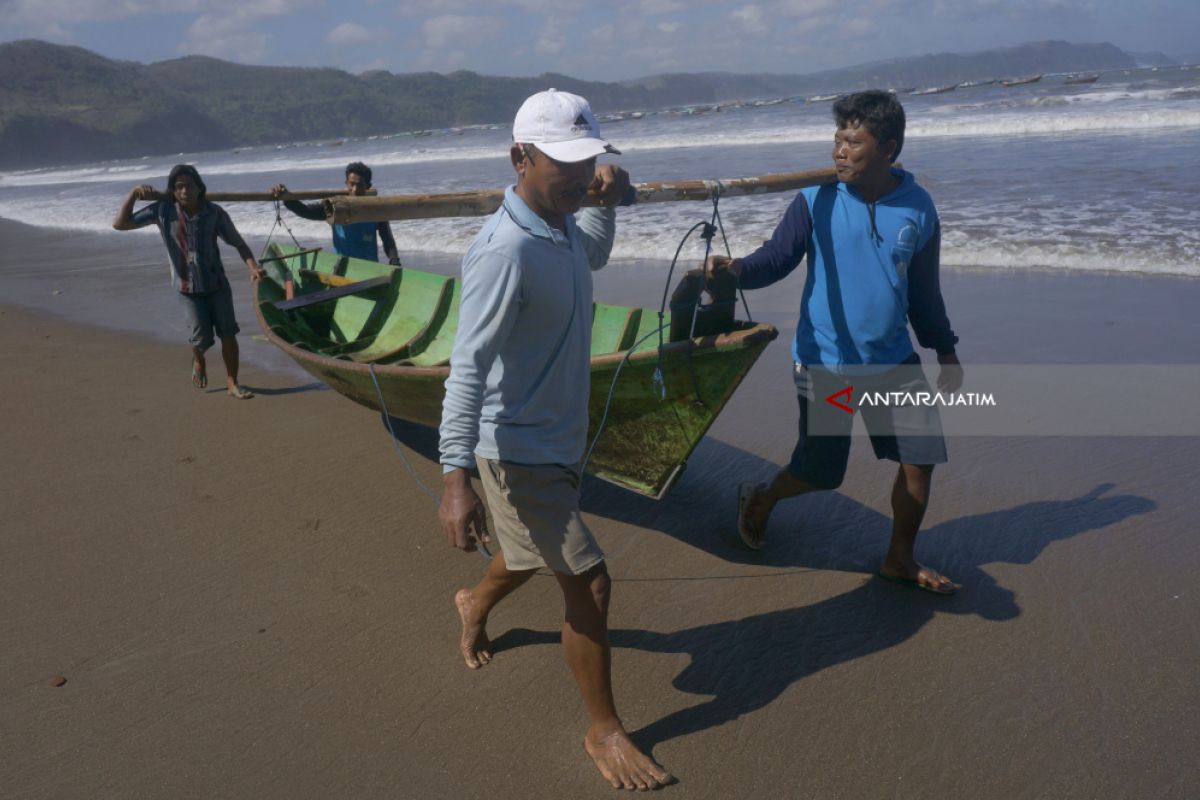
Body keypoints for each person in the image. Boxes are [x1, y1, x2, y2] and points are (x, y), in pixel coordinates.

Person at [437, 89, 671, 791]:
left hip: (562, 437)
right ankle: (603, 731)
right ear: (520, 157)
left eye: (589, 160)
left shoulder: (562, 220)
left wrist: (601, 200)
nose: (579, 175)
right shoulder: (502, 251)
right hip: (516, 448)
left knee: (530, 554)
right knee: (590, 583)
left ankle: (475, 603)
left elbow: (590, 258)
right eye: (565, 164)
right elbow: (467, 364)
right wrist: (455, 479)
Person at [707, 90, 964, 594]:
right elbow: (774, 259)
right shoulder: (815, 200)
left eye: (853, 141)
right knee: (821, 472)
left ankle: (899, 558)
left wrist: (945, 349)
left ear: (889, 148)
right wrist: (734, 271)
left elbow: (923, 292)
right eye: (837, 140)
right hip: (825, 362)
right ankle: (760, 498)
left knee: (920, 457)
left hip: (892, 358)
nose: (839, 152)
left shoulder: (918, 206)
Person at [113, 164, 264, 399]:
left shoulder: (215, 213)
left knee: (228, 333)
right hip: (186, 288)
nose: (184, 191)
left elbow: (239, 243)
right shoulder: (162, 211)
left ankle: (232, 382)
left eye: (189, 186)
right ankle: (198, 358)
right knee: (200, 338)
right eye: (179, 187)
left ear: (199, 187)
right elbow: (120, 224)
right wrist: (134, 194)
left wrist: (253, 267)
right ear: (173, 191)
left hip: (217, 285)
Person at [271, 162, 401, 265]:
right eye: (351, 184)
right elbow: (305, 211)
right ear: (346, 183)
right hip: (342, 268)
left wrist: (394, 259)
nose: (354, 190)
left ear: (368, 186)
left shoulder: (375, 209)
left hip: (370, 268)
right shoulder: (335, 207)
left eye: (359, 185)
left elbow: (387, 239)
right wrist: (286, 197)